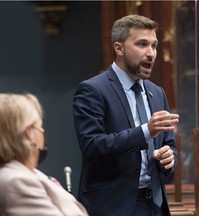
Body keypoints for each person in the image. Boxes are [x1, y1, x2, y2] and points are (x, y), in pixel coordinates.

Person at [73, 14, 179, 216]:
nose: (151, 54)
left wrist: (169, 158)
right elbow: (92, 146)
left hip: (155, 205)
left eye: (154, 46)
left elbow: (169, 144)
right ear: (118, 48)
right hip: (114, 207)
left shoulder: (157, 92)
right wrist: (146, 131)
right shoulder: (92, 90)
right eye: (142, 44)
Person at [0, 93, 88, 216]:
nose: (42, 132)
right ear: (29, 133)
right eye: (40, 126)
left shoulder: (24, 173)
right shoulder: (17, 182)